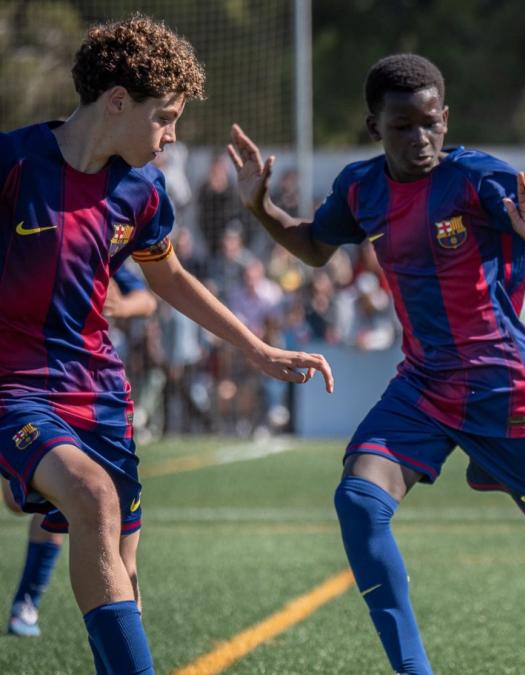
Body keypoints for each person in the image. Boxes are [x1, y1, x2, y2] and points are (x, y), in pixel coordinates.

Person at [228, 54, 525, 675]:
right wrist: (260, 209)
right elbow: (314, 246)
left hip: (502, 384)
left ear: (446, 117)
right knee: (358, 501)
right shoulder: (362, 187)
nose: (420, 138)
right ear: (374, 125)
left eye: (430, 123)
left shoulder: (478, 178)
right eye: (402, 126)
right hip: (423, 385)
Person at [0, 15, 333, 674]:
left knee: (123, 570)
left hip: (99, 394)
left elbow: (170, 279)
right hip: (15, 388)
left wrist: (257, 350)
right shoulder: (10, 163)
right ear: (118, 101)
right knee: (93, 497)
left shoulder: (144, 191)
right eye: (167, 117)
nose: (174, 135)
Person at [5, 266, 155, 638]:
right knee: (30, 498)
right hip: (28, 385)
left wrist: (117, 306)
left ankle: (28, 601)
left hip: (91, 391)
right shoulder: (26, 226)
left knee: (86, 503)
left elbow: (148, 297)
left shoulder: (108, 228)